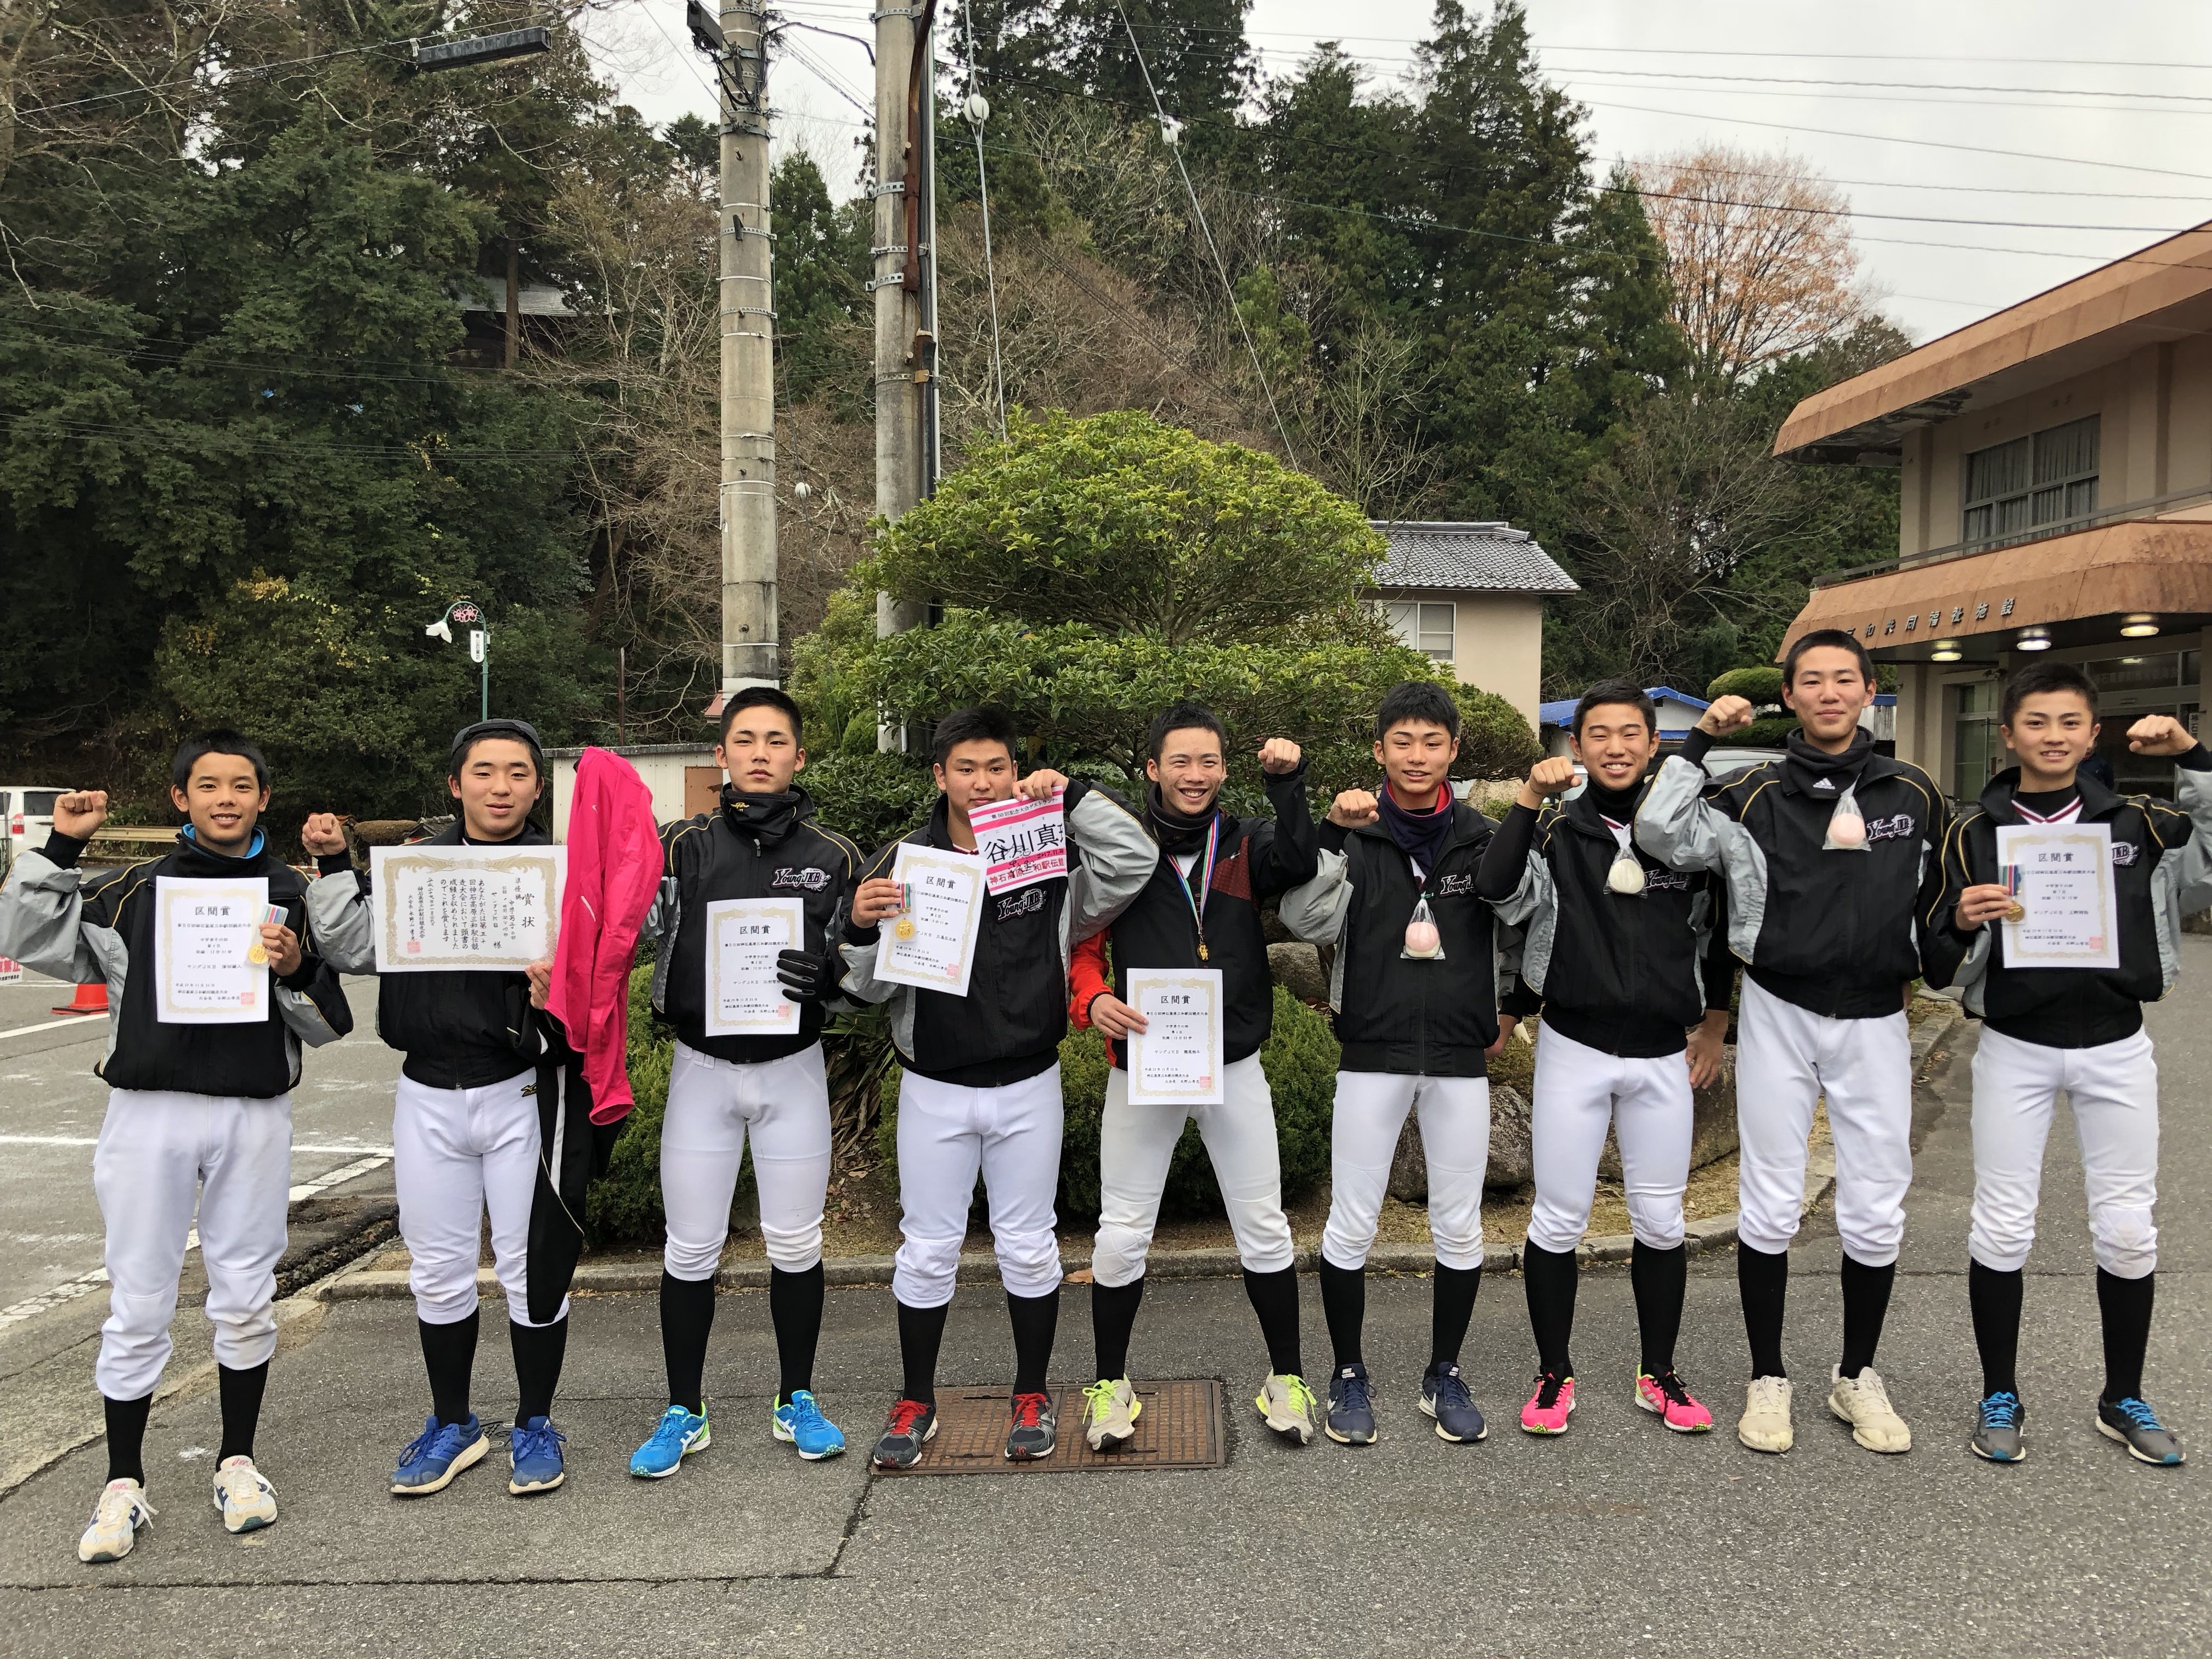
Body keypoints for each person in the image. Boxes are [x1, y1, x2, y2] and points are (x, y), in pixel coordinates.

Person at [0, 733, 351, 1563]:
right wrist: (61, 845)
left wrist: (296, 969)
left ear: (264, 798)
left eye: (242, 786)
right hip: (147, 1111)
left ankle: (238, 1461)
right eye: (209, 785)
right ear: (180, 798)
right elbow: (26, 936)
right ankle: (122, 1480)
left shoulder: (290, 892)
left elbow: (328, 1022)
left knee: (245, 1291)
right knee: (140, 1296)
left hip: (252, 1114)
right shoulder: (128, 889)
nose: (226, 799)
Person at [1637, 630, 1949, 1455]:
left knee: (1875, 1204)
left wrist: (1938, 962)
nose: (1829, 693)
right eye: (1812, 681)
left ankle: (1857, 1373)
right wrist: (1698, 741)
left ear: (1871, 690)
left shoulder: (1913, 792)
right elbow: (1660, 833)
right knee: (1771, 1197)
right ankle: (1767, 1376)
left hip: (1877, 1016)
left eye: (1845, 679)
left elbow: (1940, 900)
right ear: (1790, 697)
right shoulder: (1753, 793)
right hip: (1778, 1006)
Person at [842, 708, 1154, 1468]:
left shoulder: (1048, 850)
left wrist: (1072, 796)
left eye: (997, 768)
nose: (982, 783)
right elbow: (866, 991)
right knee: (926, 1249)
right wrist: (856, 928)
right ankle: (916, 1400)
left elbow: (1133, 862)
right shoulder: (904, 861)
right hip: (934, 1086)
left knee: (1029, 1246)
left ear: (1016, 772)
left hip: (1028, 1081)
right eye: (966, 768)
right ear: (939, 775)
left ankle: (1032, 1394)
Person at [1926, 661, 2211, 1467]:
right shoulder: (1973, 834)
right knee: (2002, 1222)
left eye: (2069, 723)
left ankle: (2124, 1395)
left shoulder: (2139, 821)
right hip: (2015, 1046)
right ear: (2007, 735)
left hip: (2116, 1044)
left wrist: (2193, 755)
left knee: (2127, 1225)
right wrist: (1961, 919)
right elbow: (1937, 959)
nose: (2053, 737)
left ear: (2093, 735)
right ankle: (1999, 1393)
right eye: (2036, 722)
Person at [306, 718, 596, 1498]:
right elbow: (351, 948)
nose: (500, 787)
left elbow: (601, 983)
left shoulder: (559, 874)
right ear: (455, 783)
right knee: (436, 1270)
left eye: (517, 773)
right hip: (428, 1091)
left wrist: (562, 990)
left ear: (539, 787)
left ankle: (536, 1422)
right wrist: (333, 866)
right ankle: (453, 1423)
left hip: (522, 1090)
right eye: (484, 772)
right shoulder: (413, 868)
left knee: (532, 1268)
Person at [620, 688, 868, 1478]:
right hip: (702, 1068)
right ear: (721, 754)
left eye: (777, 740)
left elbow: (866, 968)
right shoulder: (681, 845)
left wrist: (834, 974)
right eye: (746, 740)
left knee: (796, 1242)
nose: (761, 753)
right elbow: (632, 930)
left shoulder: (836, 855)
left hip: (794, 1070)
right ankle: (683, 1409)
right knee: (691, 1246)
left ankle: (797, 1397)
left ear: (800, 756)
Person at [1477, 681, 1734, 1438]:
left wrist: (1716, 1024)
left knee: (1661, 1219)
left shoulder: (1685, 833)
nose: (1615, 748)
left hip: (1661, 1053)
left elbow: (1718, 931)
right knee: (1559, 1219)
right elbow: (1494, 888)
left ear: (1654, 745)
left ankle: (1659, 1373)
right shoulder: (1559, 830)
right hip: (1575, 1047)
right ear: (1576, 746)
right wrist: (1528, 798)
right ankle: (1553, 1373)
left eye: (1630, 734)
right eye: (1599, 735)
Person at [1067, 702, 1322, 1450]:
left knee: (1265, 1227)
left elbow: (1301, 863)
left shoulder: (1245, 841)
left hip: (1232, 1062)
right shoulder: (1123, 850)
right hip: (1144, 1064)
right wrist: (1092, 998)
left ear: (1224, 769)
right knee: (1121, 1233)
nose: (1195, 774)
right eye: (1179, 761)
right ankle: (1110, 1385)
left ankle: (1287, 1377)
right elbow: (1083, 941)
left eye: (1208, 761)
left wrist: (1289, 783)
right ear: (1152, 768)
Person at [1274, 680, 1509, 1447]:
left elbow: (1522, 923)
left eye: (1432, 742)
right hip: (1372, 1050)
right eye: (1402, 742)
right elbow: (1304, 919)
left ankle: (1445, 1373)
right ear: (1379, 751)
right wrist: (1331, 834)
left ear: (1454, 750)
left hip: (1458, 1056)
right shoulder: (1358, 834)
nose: (1417, 755)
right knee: (1351, 1222)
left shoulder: (1483, 837)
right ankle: (1348, 1373)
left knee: (1459, 1225)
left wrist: (1510, 1008)